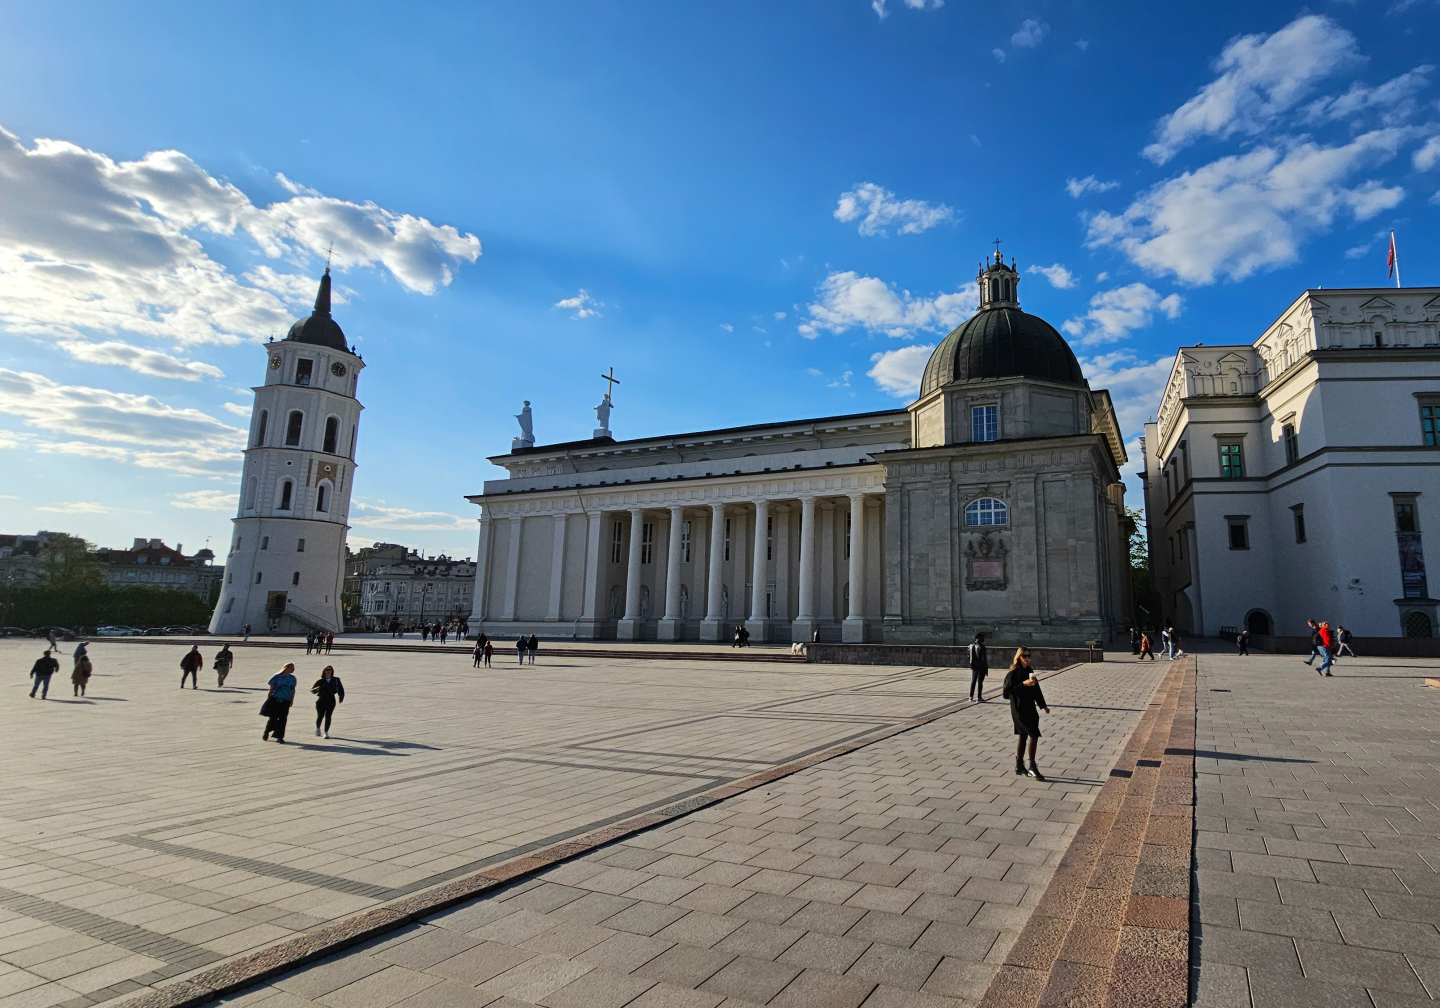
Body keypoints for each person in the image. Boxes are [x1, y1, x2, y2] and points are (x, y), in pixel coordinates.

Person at [1002, 648, 1050, 780]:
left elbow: (1036, 689)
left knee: (1023, 735)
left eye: (1029, 656)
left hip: (1030, 707)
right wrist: (1023, 684)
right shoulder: (1013, 673)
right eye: (1025, 656)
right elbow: (1006, 694)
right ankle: (1032, 767)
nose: (1027, 659)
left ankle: (1019, 765)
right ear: (1019, 657)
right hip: (1019, 710)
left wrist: (1043, 705)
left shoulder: (1029, 670)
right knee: (1034, 734)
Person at [262, 663, 297, 742]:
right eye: (292, 668)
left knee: (283, 718)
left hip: (286, 700)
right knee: (273, 718)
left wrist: (292, 699)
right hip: (276, 699)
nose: (293, 669)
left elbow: (293, 690)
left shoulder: (293, 678)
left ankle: (280, 736)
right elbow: (271, 689)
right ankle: (267, 731)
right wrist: (269, 699)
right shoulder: (277, 677)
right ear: (286, 668)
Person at [311, 665, 345, 738]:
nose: (328, 671)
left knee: (328, 716)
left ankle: (326, 732)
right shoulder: (320, 680)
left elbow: (341, 689)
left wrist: (341, 697)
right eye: (327, 670)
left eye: (330, 669)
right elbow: (312, 690)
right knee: (320, 716)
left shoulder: (336, 680)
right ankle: (318, 728)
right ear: (324, 671)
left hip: (331, 699)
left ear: (332, 671)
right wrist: (316, 689)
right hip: (321, 700)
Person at [967, 633, 989, 702]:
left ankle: (971, 696)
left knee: (973, 681)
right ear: (979, 638)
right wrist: (986, 668)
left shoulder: (971, 646)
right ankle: (979, 697)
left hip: (974, 666)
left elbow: (968, 656)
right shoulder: (982, 647)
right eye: (982, 637)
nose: (983, 639)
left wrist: (972, 664)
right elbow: (983, 659)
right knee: (980, 682)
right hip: (981, 667)